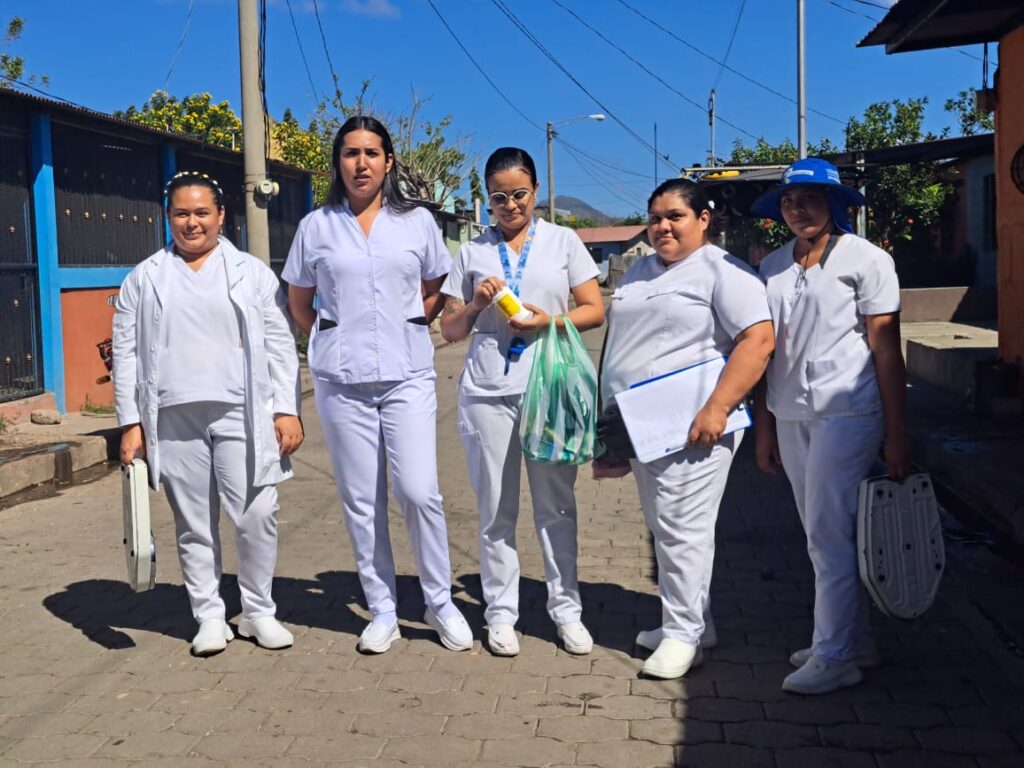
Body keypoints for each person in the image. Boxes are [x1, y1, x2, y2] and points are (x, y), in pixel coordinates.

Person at [283, 116, 472, 654]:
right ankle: (383, 609)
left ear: (389, 161)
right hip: (342, 383)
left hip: (407, 376)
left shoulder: (417, 222)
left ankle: (439, 602)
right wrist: (332, 337)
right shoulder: (316, 226)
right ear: (337, 163)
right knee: (361, 499)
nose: (361, 163)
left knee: (419, 491)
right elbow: (299, 302)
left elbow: (433, 289)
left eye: (371, 153)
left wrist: (405, 324)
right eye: (350, 153)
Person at [113, 171, 303, 657]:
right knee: (194, 522)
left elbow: (281, 343)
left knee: (257, 513)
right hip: (173, 415)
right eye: (181, 213)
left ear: (221, 216)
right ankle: (210, 616)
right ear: (168, 217)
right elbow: (127, 353)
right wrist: (131, 423)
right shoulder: (144, 277)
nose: (192, 222)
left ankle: (258, 611)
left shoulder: (251, 273)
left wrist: (287, 408)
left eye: (202, 212)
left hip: (243, 410)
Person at [600, 179, 774, 679]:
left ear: (703, 219)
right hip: (642, 423)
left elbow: (758, 340)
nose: (663, 227)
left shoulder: (723, 271)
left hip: (696, 425)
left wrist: (718, 407)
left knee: (684, 529)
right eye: (655, 218)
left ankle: (683, 636)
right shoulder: (640, 269)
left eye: (675, 216)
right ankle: (696, 622)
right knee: (665, 527)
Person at [751, 157, 910, 695]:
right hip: (790, 411)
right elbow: (766, 352)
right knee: (822, 532)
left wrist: (898, 433)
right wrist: (765, 427)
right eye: (789, 202)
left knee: (827, 535)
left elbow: (886, 349)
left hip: (847, 411)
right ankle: (852, 642)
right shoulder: (773, 266)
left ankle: (834, 655)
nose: (798, 210)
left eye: (810, 200)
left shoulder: (866, 260)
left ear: (835, 203)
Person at [440, 147, 605, 657]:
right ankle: (500, 613)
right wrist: (476, 304)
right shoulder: (472, 251)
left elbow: (594, 310)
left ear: (535, 191)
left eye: (519, 194)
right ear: (487, 200)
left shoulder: (563, 241)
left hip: (548, 385)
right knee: (495, 509)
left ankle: (567, 611)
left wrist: (548, 322)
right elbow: (449, 329)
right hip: (488, 393)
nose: (510, 205)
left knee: (557, 506)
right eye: (498, 197)